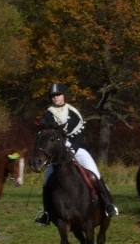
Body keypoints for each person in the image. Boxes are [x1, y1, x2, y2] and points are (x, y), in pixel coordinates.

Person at [35, 82, 118, 225]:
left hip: (77, 149)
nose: (55, 98)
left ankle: (108, 204)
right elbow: (46, 132)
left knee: (94, 173)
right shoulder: (48, 114)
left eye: (58, 95)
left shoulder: (73, 112)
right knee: (47, 180)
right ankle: (47, 213)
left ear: (63, 96)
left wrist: (73, 148)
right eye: (53, 96)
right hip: (56, 153)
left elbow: (80, 134)